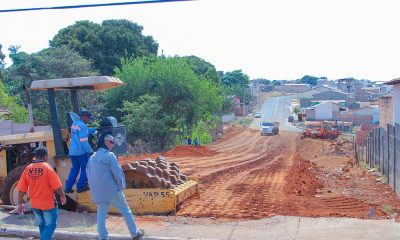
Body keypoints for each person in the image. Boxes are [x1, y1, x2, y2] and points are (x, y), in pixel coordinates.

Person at [87, 133, 144, 240]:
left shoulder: (91, 158)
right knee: (125, 210)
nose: (113, 144)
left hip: (99, 193)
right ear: (105, 142)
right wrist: (120, 187)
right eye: (111, 142)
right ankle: (135, 233)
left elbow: (88, 175)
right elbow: (117, 173)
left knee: (101, 215)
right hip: (112, 191)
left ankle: (103, 237)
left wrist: (94, 191)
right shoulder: (110, 155)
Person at [17, 146, 66, 240]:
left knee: (42, 225)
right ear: (45, 157)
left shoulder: (28, 169)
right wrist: (63, 196)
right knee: (51, 225)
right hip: (48, 204)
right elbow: (57, 187)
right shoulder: (47, 168)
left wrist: (19, 203)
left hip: (35, 205)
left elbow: (21, 190)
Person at [65, 110, 94, 193]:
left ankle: (68, 187)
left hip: (72, 152)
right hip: (81, 152)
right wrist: (90, 151)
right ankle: (80, 187)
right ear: (84, 117)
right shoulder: (82, 126)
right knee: (85, 169)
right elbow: (84, 141)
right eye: (88, 118)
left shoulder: (74, 124)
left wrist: (95, 129)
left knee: (74, 169)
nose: (89, 119)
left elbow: (85, 130)